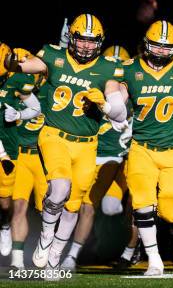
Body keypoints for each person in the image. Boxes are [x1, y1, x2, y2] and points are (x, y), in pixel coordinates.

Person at [3, 14, 127, 274]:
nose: (86, 46)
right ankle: (46, 237)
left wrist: (104, 104)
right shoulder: (53, 56)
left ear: (100, 43)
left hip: (87, 145)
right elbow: (20, 66)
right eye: (81, 40)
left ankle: (55, 255)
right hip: (54, 135)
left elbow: (120, 114)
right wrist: (13, 59)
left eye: (92, 42)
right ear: (72, 38)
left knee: (72, 206)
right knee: (60, 189)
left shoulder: (108, 68)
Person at [119, 20, 173, 276]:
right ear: (147, 44)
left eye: (167, 47)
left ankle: (171, 237)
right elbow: (118, 103)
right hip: (141, 148)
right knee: (143, 204)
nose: (160, 51)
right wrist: (116, 116)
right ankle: (153, 258)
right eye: (156, 45)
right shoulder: (130, 69)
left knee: (171, 211)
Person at [61, 46, 133, 271]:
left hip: (116, 157)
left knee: (122, 206)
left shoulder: (130, 93)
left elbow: (123, 115)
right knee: (73, 203)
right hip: (89, 152)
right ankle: (71, 252)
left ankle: (128, 249)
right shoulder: (90, 85)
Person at [0, 46, 42, 261]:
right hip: (11, 153)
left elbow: (36, 109)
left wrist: (18, 113)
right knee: (13, 204)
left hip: (29, 154)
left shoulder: (19, 81)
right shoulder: (13, 82)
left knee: (7, 202)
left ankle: (5, 224)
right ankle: (17, 258)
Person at [9, 61, 47, 270]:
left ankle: (47, 253)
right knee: (19, 207)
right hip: (21, 156)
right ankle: (17, 261)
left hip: (44, 157)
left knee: (48, 212)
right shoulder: (12, 92)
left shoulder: (51, 92)